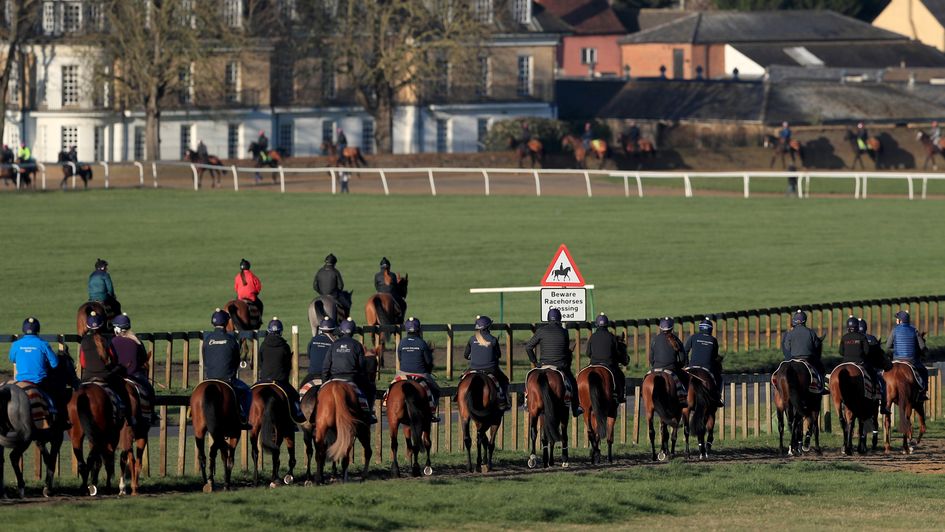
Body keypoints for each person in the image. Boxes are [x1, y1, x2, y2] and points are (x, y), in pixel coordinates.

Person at [79, 311, 135, 427]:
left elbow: (83, 362)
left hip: (87, 376)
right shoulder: (106, 340)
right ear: (102, 324)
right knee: (122, 388)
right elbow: (113, 358)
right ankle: (129, 416)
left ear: (88, 326)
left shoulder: (84, 341)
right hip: (105, 376)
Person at [525, 308, 582, 417]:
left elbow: (528, 347)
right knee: (573, 382)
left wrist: (535, 362)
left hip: (543, 365)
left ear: (548, 319)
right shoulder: (564, 332)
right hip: (560, 366)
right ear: (559, 319)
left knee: (529, 378)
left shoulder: (541, 330)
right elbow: (565, 350)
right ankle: (575, 408)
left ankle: (527, 402)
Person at [322, 317, 377, 423]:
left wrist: (325, 382)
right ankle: (368, 413)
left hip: (334, 378)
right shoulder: (357, 345)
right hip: (352, 378)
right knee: (370, 389)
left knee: (320, 395)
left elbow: (326, 366)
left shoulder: (334, 344)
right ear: (353, 331)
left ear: (341, 330)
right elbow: (361, 366)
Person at [202, 308, 251, 423]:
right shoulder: (231, 339)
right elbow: (236, 361)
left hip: (210, 378)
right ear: (226, 322)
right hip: (228, 379)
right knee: (247, 391)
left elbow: (205, 360)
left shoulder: (207, 339)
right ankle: (244, 416)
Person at [9, 317, 61, 420]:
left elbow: (12, 359)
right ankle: (53, 412)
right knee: (53, 397)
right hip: (39, 383)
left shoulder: (16, 344)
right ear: (38, 329)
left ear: (24, 329)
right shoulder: (43, 344)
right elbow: (55, 364)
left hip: (20, 383)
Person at [109, 313, 156, 421]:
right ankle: (151, 413)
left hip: (117, 375)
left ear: (117, 328)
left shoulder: (112, 342)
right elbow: (144, 359)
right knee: (149, 389)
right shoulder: (137, 341)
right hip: (134, 374)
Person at [257, 318, 305, 423]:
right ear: (281, 331)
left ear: (269, 331)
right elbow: (288, 365)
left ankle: (244, 413)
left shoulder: (263, 345)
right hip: (280, 381)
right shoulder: (285, 347)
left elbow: (260, 363)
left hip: (264, 379)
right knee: (295, 396)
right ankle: (297, 415)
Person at [396, 317, 440, 421]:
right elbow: (428, 362)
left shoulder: (401, 343)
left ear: (406, 329)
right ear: (418, 329)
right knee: (436, 390)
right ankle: (432, 412)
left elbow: (400, 359)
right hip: (420, 374)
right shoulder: (422, 343)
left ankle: (386, 402)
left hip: (402, 374)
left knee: (391, 388)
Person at [462, 315, 510, 410]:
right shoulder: (493, 340)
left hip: (473, 368)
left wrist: (474, 356)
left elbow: (466, 355)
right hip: (490, 369)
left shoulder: (472, 339)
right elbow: (498, 355)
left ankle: (457, 395)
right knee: (504, 380)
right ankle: (503, 400)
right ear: (488, 327)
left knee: (462, 379)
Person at [585, 313, 628, 403]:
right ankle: (620, 395)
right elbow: (616, 353)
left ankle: (578, 400)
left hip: (593, 363)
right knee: (621, 376)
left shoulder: (592, 337)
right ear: (607, 324)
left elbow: (588, 353)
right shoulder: (611, 337)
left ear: (597, 325)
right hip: (609, 364)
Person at [885, 310, 928, 401]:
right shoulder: (914, 330)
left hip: (896, 360)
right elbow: (922, 346)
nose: (896, 321)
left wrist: (896, 346)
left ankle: (882, 392)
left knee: (883, 373)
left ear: (901, 321)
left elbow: (888, 346)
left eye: (897, 319)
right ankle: (923, 392)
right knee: (924, 371)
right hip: (911, 360)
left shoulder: (894, 330)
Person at [781, 310, 825, 394]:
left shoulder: (790, 333)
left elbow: (787, 347)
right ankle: (821, 386)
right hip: (808, 359)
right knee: (820, 367)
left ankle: (777, 388)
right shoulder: (811, 332)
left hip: (793, 359)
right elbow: (816, 346)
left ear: (794, 320)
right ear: (805, 320)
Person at [684, 317, 724, 406]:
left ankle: (678, 395)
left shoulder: (693, 337)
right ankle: (718, 398)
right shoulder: (713, 340)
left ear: (700, 328)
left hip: (691, 366)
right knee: (720, 379)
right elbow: (714, 357)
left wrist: (686, 365)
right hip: (707, 368)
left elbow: (685, 351)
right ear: (710, 329)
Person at [649, 317, 688, 399]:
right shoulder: (676, 340)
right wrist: (678, 366)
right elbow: (682, 359)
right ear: (672, 328)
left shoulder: (654, 339)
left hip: (655, 368)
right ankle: (683, 399)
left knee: (646, 379)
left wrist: (655, 366)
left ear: (660, 328)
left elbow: (651, 359)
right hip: (671, 369)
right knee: (685, 380)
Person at [858, 318, 890, 414]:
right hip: (870, 369)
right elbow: (879, 357)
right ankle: (884, 406)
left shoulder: (853, 338)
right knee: (883, 383)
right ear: (865, 328)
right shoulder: (872, 339)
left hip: (856, 365)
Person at [304, 316, 337, 386]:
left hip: (312, 374)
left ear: (321, 329)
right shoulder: (334, 342)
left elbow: (309, 355)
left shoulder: (313, 339)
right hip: (328, 375)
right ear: (333, 329)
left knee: (299, 393)